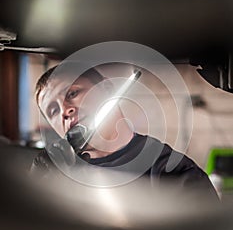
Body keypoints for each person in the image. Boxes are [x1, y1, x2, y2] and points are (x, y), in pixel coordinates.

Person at [30, 62, 219, 201]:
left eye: (73, 93)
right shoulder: (53, 178)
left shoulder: (175, 175)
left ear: (107, 89)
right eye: (53, 110)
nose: (65, 111)